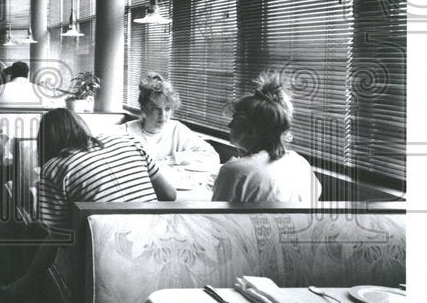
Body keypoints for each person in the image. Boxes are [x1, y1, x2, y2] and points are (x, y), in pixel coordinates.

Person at [0, 108, 175, 299]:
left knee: (38, 233)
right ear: (83, 126)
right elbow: (170, 195)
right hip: (158, 244)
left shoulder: (55, 168)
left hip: (108, 258)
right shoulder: (127, 140)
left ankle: (24, 287)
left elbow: (59, 235)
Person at [212, 72, 321, 204]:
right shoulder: (300, 163)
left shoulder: (235, 171)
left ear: (252, 130)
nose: (229, 125)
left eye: (234, 121)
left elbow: (217, 220)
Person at [122, 73, 219, 172]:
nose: (162, 114)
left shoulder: (176, 129)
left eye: (167, 108)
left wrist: (172, 159)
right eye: (155, 108)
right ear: (143, 109)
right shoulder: (125, 132)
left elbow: (212, 156)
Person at [0, 61, 66, 109]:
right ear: (27, 74)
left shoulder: (0, 89)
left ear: (12, 75)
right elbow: (60, 104)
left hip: (3, 136)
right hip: (33, 135)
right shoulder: (38, 91)